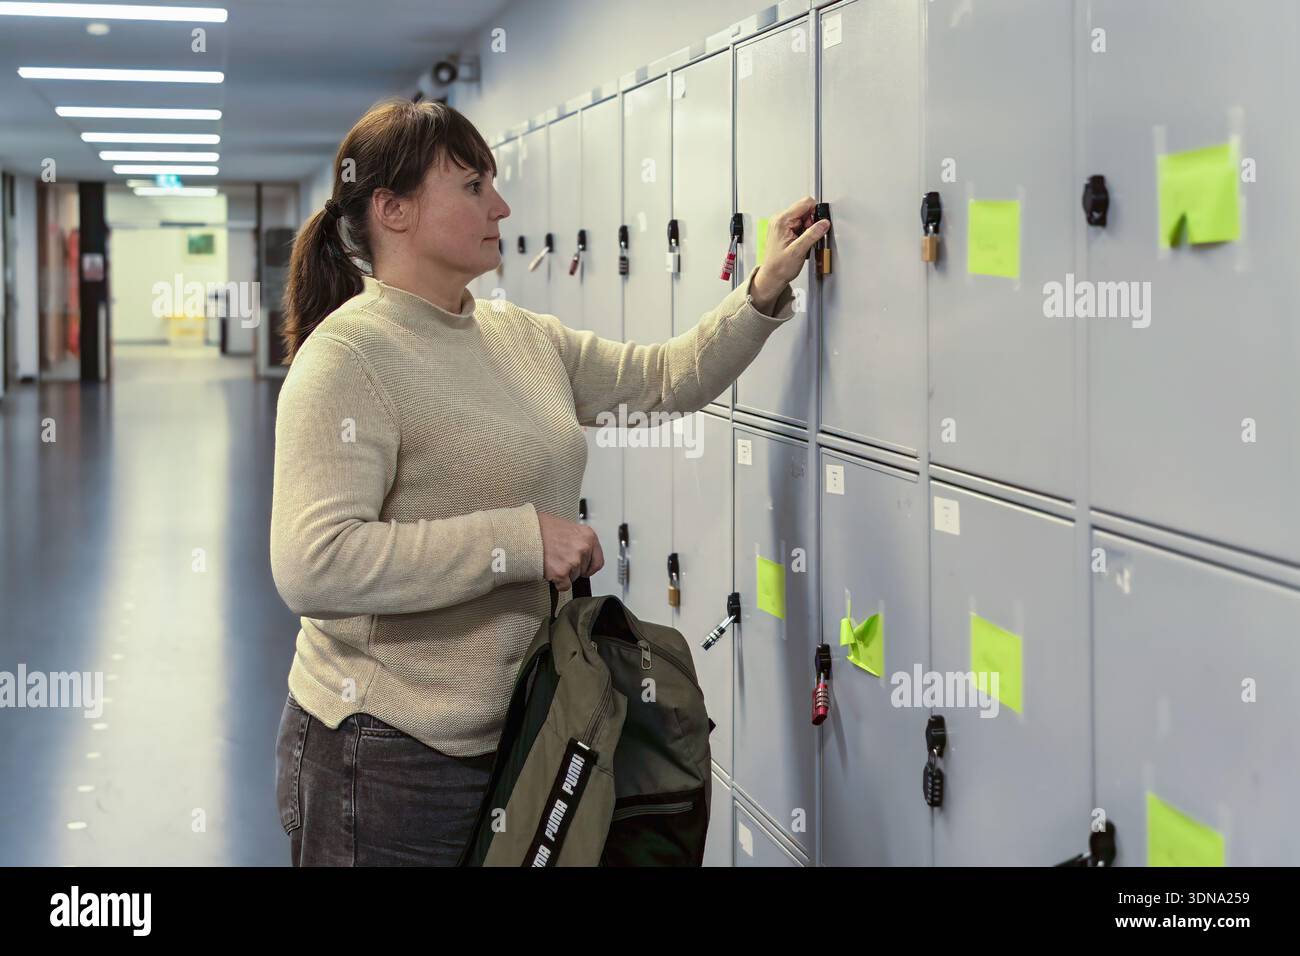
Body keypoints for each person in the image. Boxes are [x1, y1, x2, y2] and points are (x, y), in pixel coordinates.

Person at [270, 97, 830, 866]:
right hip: (387, 754)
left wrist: (762, 289)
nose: (499, 206)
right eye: (472, 188)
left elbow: (665, 379)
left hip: (520, 731)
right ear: (391, 210)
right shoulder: (348, 357)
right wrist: (517, 542)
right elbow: (315, 562)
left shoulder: (518, 336)